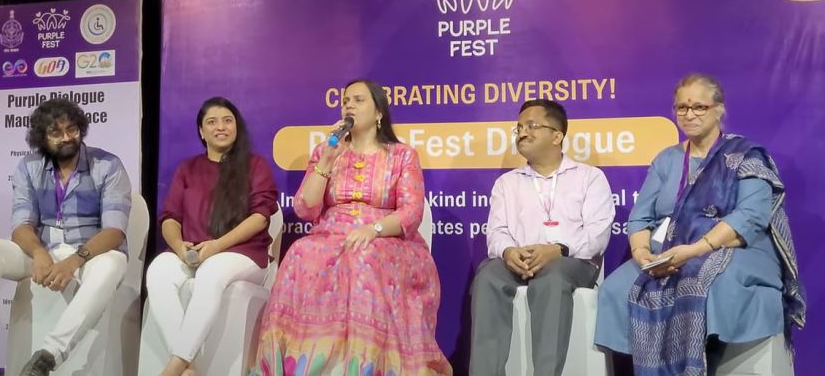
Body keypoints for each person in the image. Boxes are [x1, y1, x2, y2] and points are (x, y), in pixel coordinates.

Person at [595, 73, 806, 375]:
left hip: (737, 245)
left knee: (697, 282)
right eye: (681, 107)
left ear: (719, 109)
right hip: (670, 248)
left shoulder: (744, 155)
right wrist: (643, 257)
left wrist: (694, 251)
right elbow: (641, 218)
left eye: (699, 107)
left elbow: (751, 216)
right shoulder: (666, 160)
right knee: (615, 289)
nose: (689, 114)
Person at [250, 79, 452, 376]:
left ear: (379, 112)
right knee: (300, 252)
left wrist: (375, 230)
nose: (349, 106)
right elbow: (306, 209)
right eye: (346, 101)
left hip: (388, 240)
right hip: (331, 235)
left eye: (358, 100)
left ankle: (362, 366)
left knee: (363, 256)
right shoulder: (327, 151)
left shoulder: (401, 155)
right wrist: (327, 161)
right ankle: (305, 363)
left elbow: (411, 212)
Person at [0, 98, 132, 376]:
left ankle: (47, 357)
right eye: (56, 132)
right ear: (41, 137)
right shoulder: (28, 166)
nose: (67, 137)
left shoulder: (108, 164)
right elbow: (21, 226)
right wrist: (39, 253)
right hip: (43, 252)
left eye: (73, 129)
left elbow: (114, 231)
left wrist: (75, 261)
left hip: (87, 255)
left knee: (114, 262)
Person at [469, 99, 615, 376]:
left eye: (532, 126)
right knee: (488, 275)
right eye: (519, 127)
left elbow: (597, 235)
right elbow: (497, 232)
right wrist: (509, 252)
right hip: (517, 263)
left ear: (557, 136)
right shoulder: (507, 183)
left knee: (552, 276)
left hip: (571, 262)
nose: (522, 132)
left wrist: (558, 249)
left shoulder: (589, 177)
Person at [148, 97, 279, 376]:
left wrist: (218, 246)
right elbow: (170, 218)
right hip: (194, 251)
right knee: (158, 269)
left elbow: (260, 218)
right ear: (201, 131)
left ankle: (174, 366)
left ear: (237, 126)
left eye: (227, 120)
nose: (221, 127)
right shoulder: (187, 168)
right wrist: (180, 249)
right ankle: (189, 368)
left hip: (243, 254)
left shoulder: (255, 165)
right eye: (212, 121)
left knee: (211, 271)